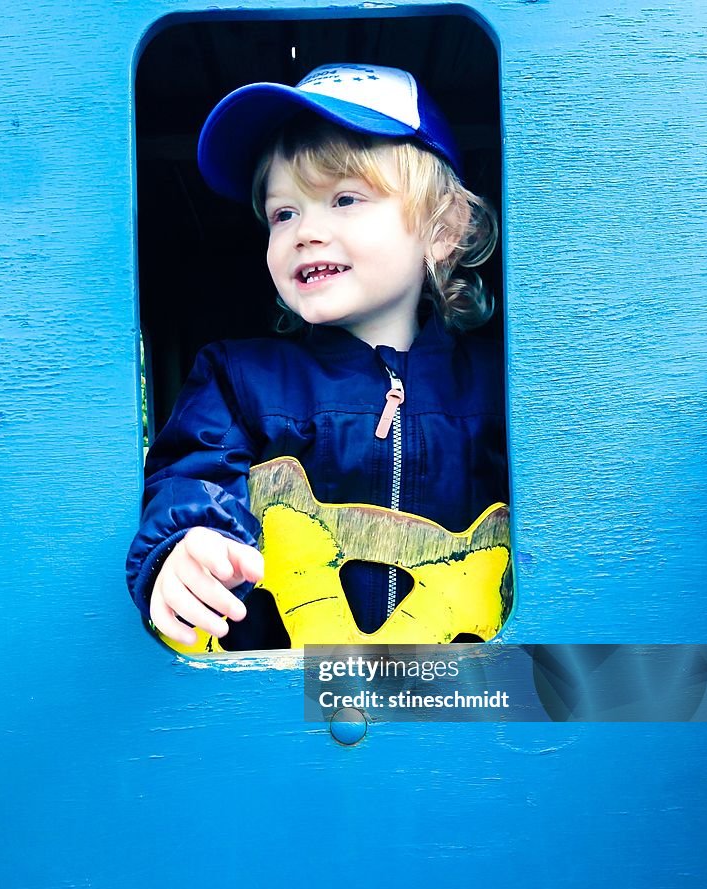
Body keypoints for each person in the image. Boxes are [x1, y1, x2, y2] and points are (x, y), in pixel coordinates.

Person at [126, 63, 508, 649]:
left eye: (345, 198)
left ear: (444, 228)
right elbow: (193, 474)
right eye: (284, 213)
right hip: (286, 713)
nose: (305, 231)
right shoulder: (239, 378)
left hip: (456, 706)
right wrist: (186, 545)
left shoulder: (496, 383)